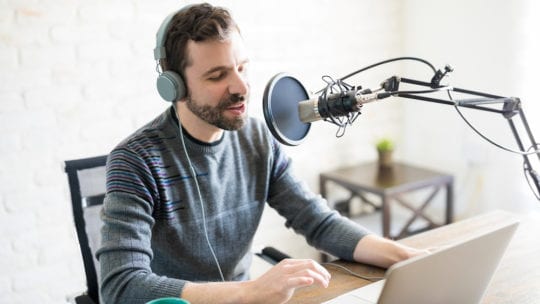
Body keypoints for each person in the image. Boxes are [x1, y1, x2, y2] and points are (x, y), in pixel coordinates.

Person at [96, 3, 426, 304]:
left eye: (242, 67)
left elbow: (317, 221)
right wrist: (248, 292)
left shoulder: (257, 138)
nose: (241, 87)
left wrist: (409, 258)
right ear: (175, 86)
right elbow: (121, 286)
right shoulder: (135, 160)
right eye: (217, 75)